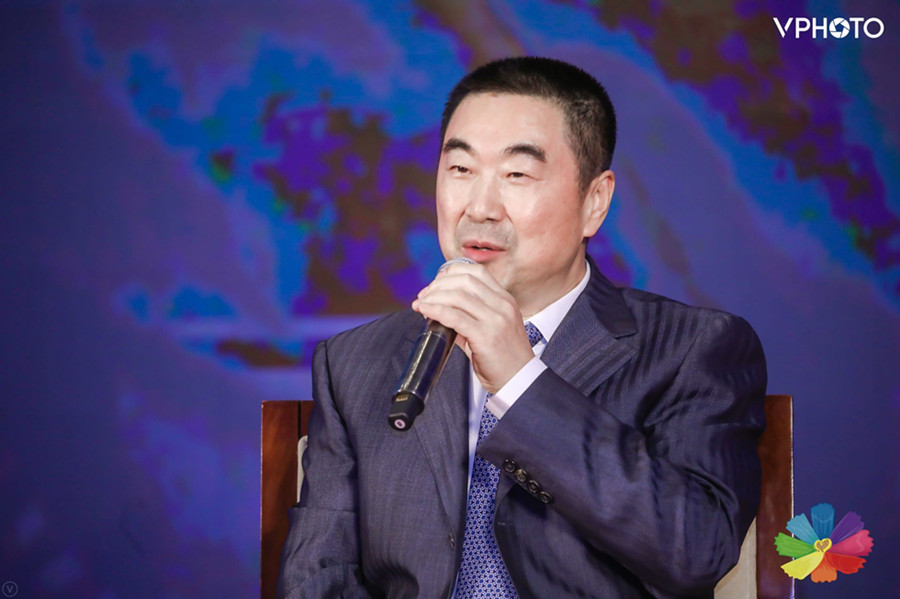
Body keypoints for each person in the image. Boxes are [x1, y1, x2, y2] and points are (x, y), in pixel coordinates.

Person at [277, 56, 766, 598]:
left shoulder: (690, 348)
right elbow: (318, 578)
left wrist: (520, 380)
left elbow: (696, 550)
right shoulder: (355, 361)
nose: (480, 208)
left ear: (595, 202)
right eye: (460, 169)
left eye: (517, 175)